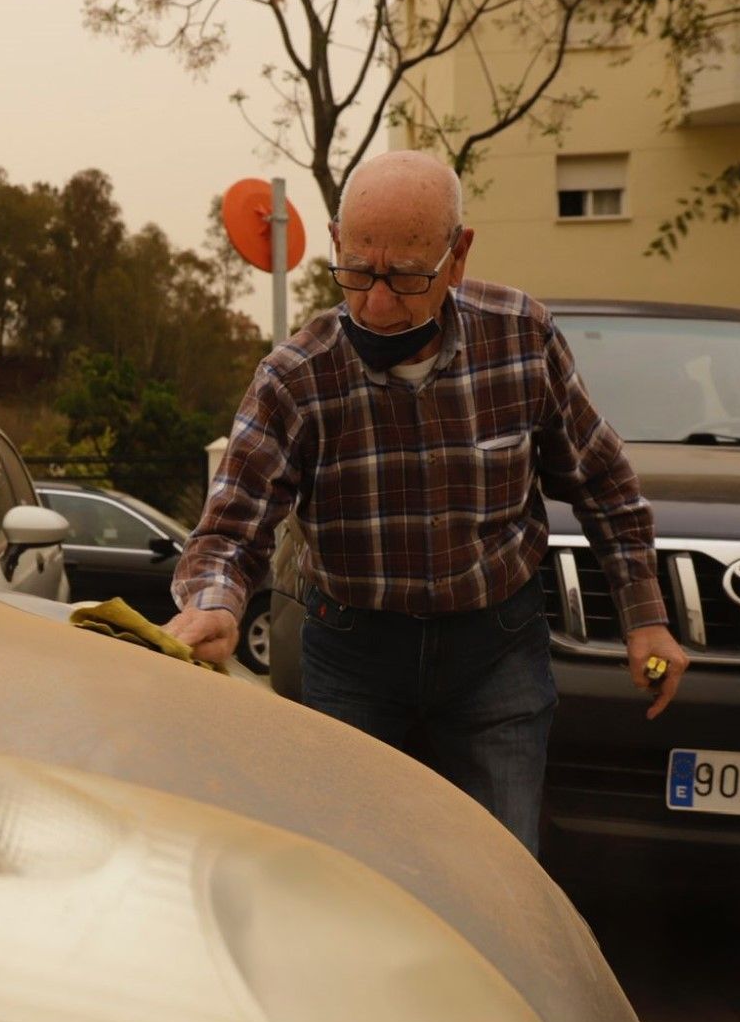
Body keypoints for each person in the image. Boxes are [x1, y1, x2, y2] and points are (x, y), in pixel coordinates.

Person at [168, 151, 687, 854]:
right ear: (333, 246)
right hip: (353, 652)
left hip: (495, 651)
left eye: (407, 277)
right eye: (356, 271)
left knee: (503, 873)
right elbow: (233, 523)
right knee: (351, 874)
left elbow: (602, 482)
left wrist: (644, 616)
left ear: (458, 255)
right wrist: (215, 602)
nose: (378, 305)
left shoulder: (521, 337)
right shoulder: (296, 375)